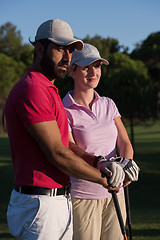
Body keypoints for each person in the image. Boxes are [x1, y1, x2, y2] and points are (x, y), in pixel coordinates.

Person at [4, 20, 124, 240]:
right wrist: (102, 179)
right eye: (60, 49)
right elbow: (56, 153)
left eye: (70, 50)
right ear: (40, 49)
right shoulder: (33, 89)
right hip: (39, 205)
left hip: (56, 201)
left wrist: (99, 162)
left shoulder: (49, 90)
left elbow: (66, 144)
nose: (67, 57)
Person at [62, 43, 140, 240]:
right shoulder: (64, 109)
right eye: (86, 67)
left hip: (115, 191)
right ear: (72, 71)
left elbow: (124, 142)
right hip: (83, 196)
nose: (93, 72)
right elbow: (69, 150)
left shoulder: (108, 104)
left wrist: (127, 164)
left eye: (97, 66)